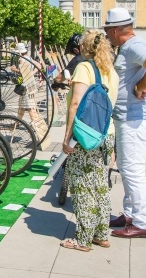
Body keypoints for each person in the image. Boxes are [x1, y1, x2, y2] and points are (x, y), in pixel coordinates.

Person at [60, 30, 118, 251]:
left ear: (84, 47)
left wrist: (67, 138)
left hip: (85, 137)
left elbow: (75, 105)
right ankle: (101, 234)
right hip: (106, 133)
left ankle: (83, 239)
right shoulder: (111, 72)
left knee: (82, 186)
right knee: (100, 185)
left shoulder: (84, 69)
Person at [103, 7, 146, 238]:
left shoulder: (134, 46)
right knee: (129, 168)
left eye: (108, 30)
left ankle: (141, 221)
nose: (107, 35)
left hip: (132, 118)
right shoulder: (126, 47)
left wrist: (141, 86)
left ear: (118, 29)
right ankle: (129, 214)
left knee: (132, 169)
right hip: (125, 117)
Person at [11, 43, 41, 123]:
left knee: (30, 107)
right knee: (22, 106)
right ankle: (17, 122)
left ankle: (36, 125)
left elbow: (23, 71)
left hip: (25, 85)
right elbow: (39, 65)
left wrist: (15, 70)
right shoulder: (29, 58)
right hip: (31, 83)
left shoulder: (22, 59)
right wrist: (32, 73)